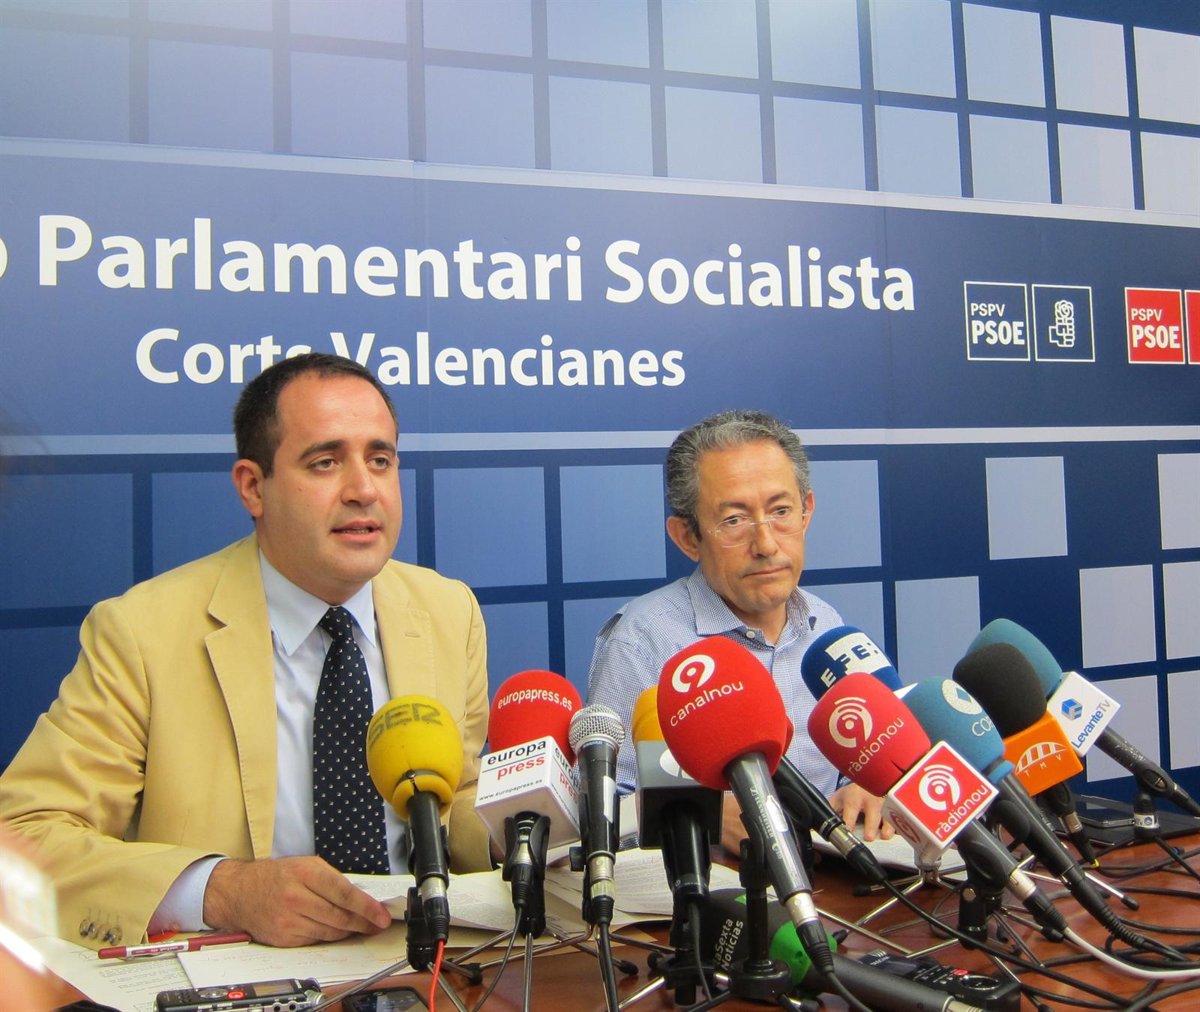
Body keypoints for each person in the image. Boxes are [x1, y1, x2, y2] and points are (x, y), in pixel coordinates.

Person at [0, 353, 491, 950]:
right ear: (253, 487)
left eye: (380, 460)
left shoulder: (448, 611)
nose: (364, 490)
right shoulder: (141, 632)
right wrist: (223, 890)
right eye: (326, 462)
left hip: (424, 966)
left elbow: (455, 803)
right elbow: (23, 835)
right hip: (245, 974)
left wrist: (519, 827)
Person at [587, 409, 890, 853]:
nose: (766, 544)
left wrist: (866, 787)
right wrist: (704, 814)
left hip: (835, 879)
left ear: (806, 512)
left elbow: (858, 763)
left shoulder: (827, 625)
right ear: (688, 537)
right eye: (734, 520)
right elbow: (603, 813)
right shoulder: (643, 640)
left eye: (781, 511)